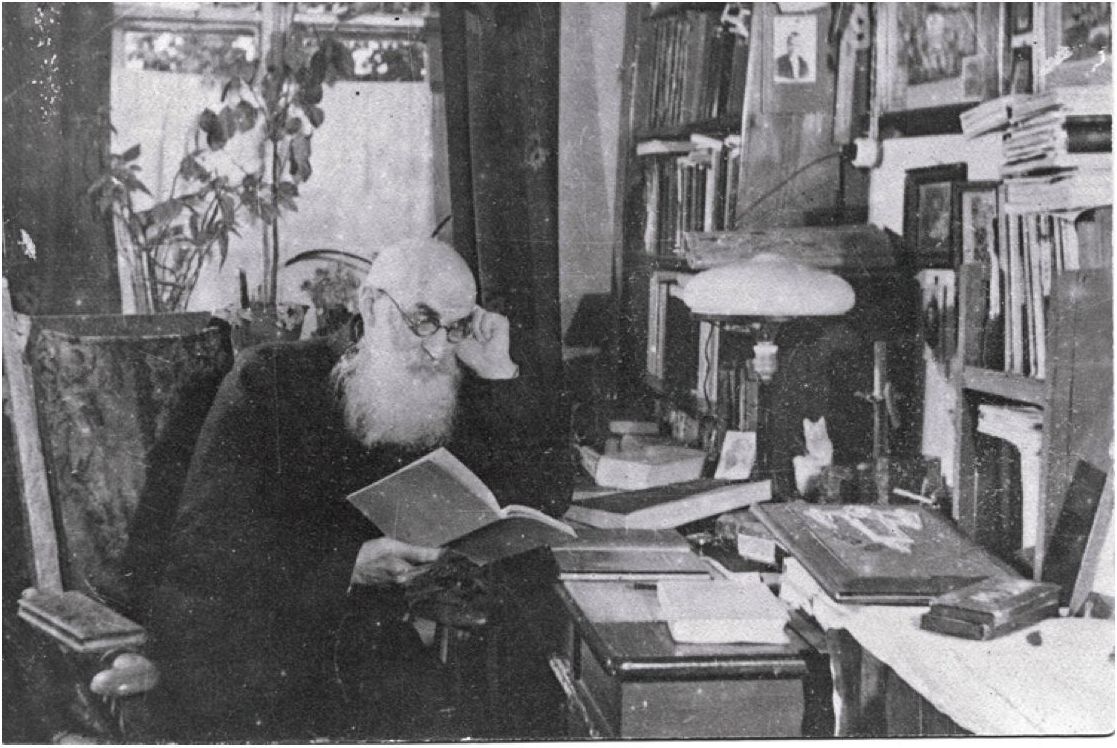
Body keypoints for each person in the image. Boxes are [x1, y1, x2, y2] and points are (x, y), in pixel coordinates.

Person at [146, 238, 571, 741]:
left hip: (369, 645)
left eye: (455, 326)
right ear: (371, 305)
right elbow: (205, 549)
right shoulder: (271, 378)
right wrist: (349, 564)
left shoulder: (444, 380)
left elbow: (543, 499)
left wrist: (500, 373)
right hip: (260, 646)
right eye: (423, 319)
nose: (438, 349)